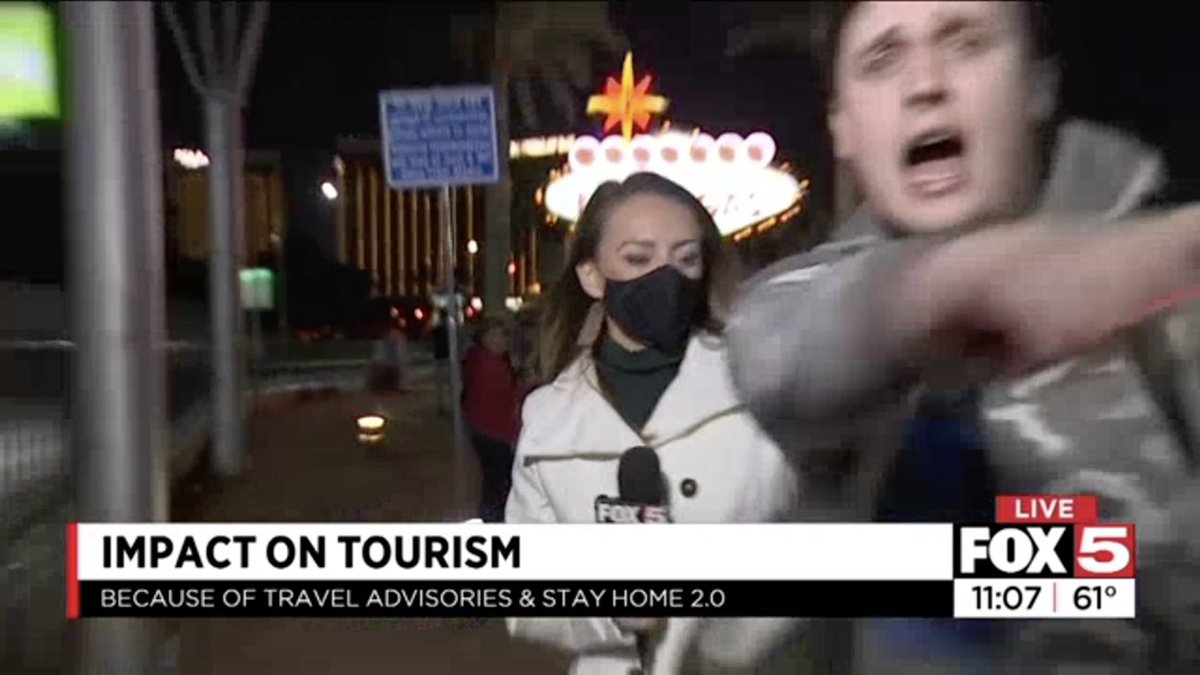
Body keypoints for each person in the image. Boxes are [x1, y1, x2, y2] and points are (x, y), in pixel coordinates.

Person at [726, 2, 1200, 672]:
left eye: (966, 42)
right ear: (843, 127)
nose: (925, 83)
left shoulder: (1175, 307)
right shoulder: (806, 306)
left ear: (1037, 86)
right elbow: (781, 358)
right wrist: (970, 284)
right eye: (882, 59)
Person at [505, 172, 807, 674]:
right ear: (592, 276)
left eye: (685, 259)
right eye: (638, 258)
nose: (665, 277)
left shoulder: (763, 386)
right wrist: (612, 613)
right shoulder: (547, 419)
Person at [463, 318, 523, 523]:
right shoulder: (490, 364)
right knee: (500, 484)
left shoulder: (481, 359)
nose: (503, 340)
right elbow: (504, 399)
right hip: (494, 431)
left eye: (504, 335)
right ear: (485, 338)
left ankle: (490, 519)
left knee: (493, 482)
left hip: (483, 428)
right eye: (497, 335)